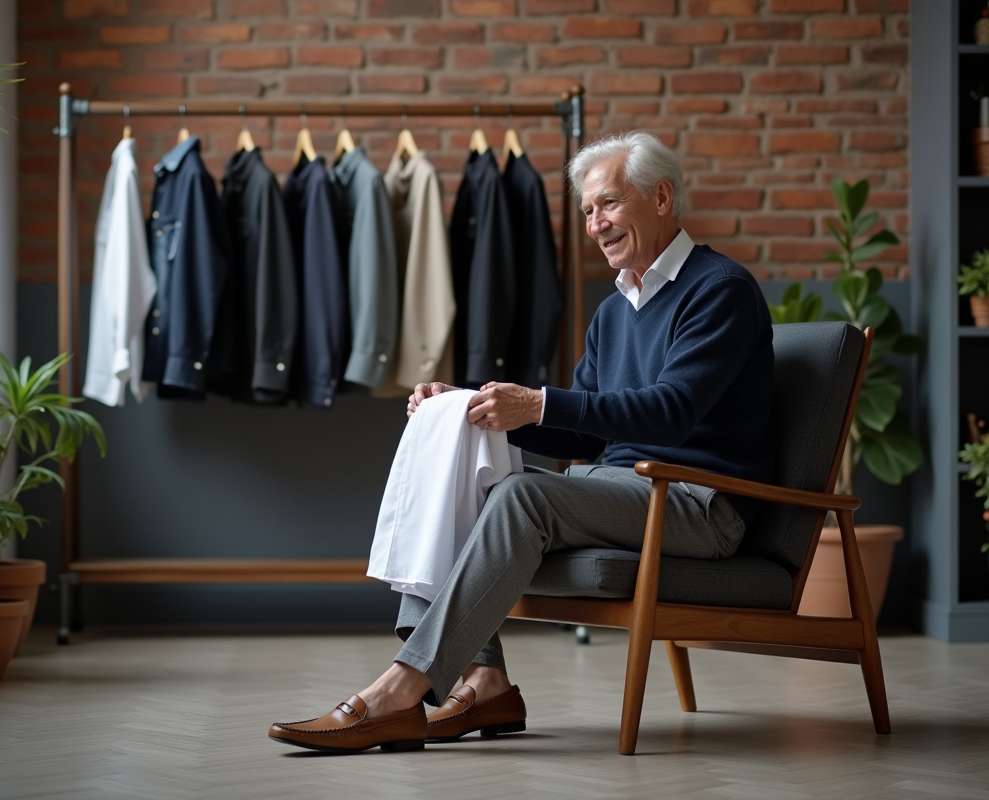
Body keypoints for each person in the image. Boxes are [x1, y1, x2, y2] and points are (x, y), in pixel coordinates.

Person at [267, 131, 777, 753]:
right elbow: (587, 434)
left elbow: (670, 414)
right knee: (472, 488)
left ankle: (399, 691)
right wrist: (472, 406)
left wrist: (535, 402)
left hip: (702, 504)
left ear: (662, 196)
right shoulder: (614, 311)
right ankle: (485, 681)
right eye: (588, 211)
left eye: (609, 205)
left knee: (521, 498)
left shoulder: (720, 290)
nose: (595, 225)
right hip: (626, 492)